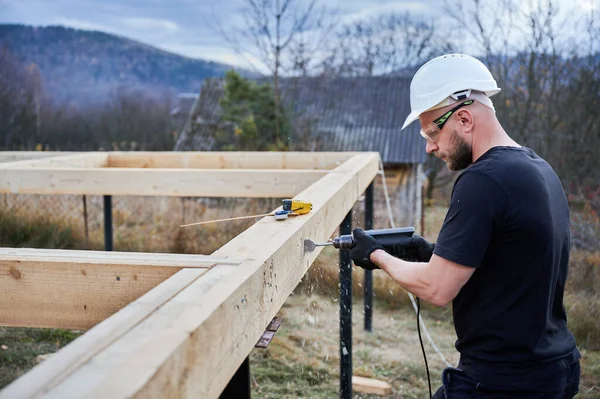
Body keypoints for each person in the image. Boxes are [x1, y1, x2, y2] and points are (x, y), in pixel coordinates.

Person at [349, 54, 581, 398]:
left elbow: (436, 290)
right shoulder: (538, 169)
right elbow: (513, 265)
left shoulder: (482, 179)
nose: (429, 146)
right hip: (553, 369)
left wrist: (378, 255)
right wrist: (434, 254)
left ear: (464, 118)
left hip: (502, 381)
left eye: (431, 131)